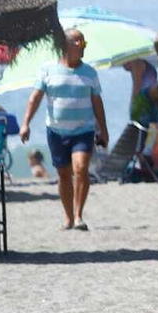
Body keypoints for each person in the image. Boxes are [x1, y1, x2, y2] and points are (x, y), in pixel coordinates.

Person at [20, 28, 108, 231]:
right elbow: (35, 98)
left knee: (81, 168)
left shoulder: (90, 73)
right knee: (64, 174)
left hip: (83, 130)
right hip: (56, 131)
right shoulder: (48, 69)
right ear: (66, 46)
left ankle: (78, 216)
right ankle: (68, 217)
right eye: (80, 44)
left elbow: (97, 102)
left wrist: (103, 129)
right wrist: (26, 124)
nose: (84, 48)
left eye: (85, 44)